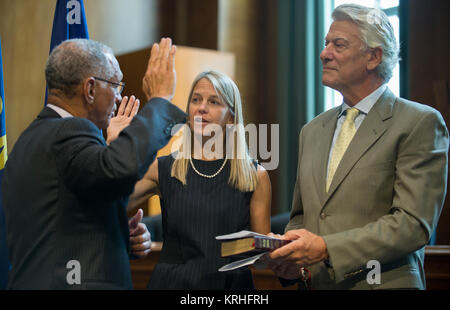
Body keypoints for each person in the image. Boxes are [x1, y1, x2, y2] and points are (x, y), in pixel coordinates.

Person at [266, 4, 449, 290]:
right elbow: (301, 217)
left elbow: (413, 225)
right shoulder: (311, 131)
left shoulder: (419, 123)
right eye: (326, 43)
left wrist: (327, 247)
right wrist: (291, 259)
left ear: (373, 57)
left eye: (338, 45)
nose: (324, 53)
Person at [1, 37, 186, 289]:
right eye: (116, 85)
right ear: (90, 89)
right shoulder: (70, 131)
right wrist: (160, 100)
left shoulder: (30, 139)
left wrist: (118, 232)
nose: (120, 98)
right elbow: (118, 170)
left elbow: (66, 219)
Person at [127, 70, 272, 289]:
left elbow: (261, 262)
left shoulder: (255, 175)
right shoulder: (164, 168)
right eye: (196, 99)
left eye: (214, 102)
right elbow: (107, 204)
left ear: (231, 117)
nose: (201, 107)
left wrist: (272, 251)